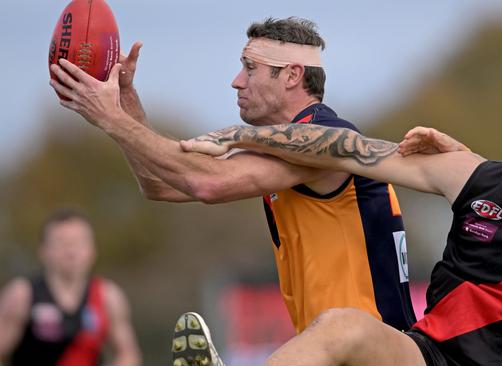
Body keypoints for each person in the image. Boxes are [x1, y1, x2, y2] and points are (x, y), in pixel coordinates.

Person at [48, 16, 467, 365]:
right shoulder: (285, 150)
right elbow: (161, 184)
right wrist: (125, 105)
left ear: (292, 75)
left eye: (250, 67)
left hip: (370, 351)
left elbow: (205, 182)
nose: (235, 81)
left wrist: (111, 120)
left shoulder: (324, 138)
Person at [180, 95, 502, 365]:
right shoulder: (475, 176)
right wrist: (237, 136)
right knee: (343, 327)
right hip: (428, 357)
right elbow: (344, 148)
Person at [0, 209, 141, 366]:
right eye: (61, 243)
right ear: (43, 251)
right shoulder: (21, 295)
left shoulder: (108, 296)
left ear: (92, 250)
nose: (71, 251)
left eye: (79, 242)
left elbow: (128, 354)